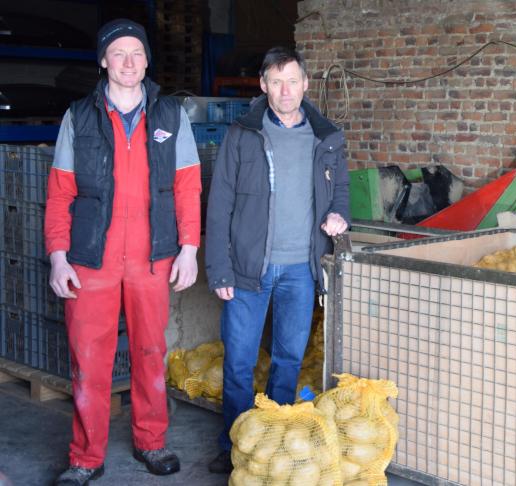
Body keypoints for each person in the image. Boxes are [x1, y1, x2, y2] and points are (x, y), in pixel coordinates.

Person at [44, 19, 201, 486]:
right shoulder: (79, 116)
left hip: (153, 258)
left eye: (137, 53)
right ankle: (85, 457)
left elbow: (188, 187)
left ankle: (151, 442)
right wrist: (57, 255)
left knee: (152, 352)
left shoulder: (172, 116)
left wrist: (189, 249)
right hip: (91, 259)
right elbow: (59, 194)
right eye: (118, 53)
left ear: (147, 60)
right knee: (89, 359)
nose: (129, 62)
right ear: (103, 61)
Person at [204, 46, 350, 473]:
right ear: (263, 85)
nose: (285, 90)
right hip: (249, 269)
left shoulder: (327, 136)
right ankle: (232, 444)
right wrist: (219, 267)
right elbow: (219, 204)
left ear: (305, 84)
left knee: (288, 358)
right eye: (276, 81)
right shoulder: (242, 133)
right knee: (239, 360)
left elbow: (339, 190)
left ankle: (274, 441)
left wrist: (338, 215)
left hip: (301, 270)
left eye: (293, 81)